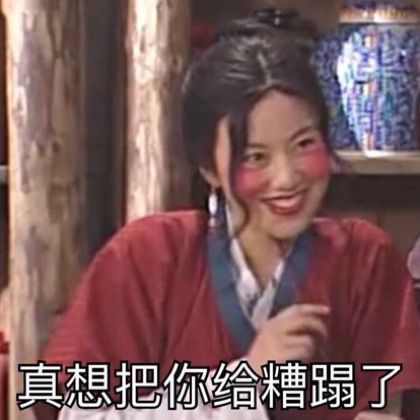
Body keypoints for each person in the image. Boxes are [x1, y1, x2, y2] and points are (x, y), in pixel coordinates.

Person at [41, 8, 420, 420]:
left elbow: (383, 410)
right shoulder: (148, 256)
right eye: (255, 156)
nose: (287, 177)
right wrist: (243, 385)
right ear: (208, 167)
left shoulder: (364, 259)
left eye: (304, 144)